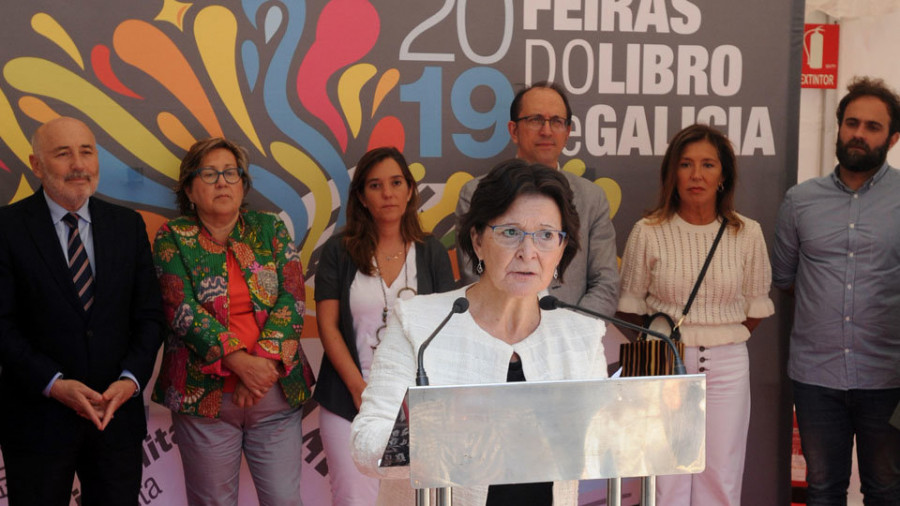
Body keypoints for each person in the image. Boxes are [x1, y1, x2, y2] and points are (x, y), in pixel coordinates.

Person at [351, 159, 607, 506]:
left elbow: (596, 449)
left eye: (546, 235)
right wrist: (442, 435)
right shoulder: (419, 323)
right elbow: (367, 446)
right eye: (511, 232)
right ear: (478, 240)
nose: (528, 253)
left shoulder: (582, 335)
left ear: (562, 249)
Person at [0, 117, 164, 505]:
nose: (78, 164)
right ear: (36, 165)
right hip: (37, 420)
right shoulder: (6, 228)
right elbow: (1, 325)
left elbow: (150, 316)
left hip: (115, 417)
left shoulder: (128, 225)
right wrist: (54, 384)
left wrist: (128, 382)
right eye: (63, 153)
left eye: (86, 151)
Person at [617, 124, 774, 506]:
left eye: (708, 165)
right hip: (665, 363)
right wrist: (666, 345)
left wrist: (715, 335)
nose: (697, 174)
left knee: (720, 474)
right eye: (686, 164)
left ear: (724, 176)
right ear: (673, 173)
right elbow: (631, 308)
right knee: (666, 475)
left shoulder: (747, 233)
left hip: (728, 365)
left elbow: (754, 310)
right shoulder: (648, 232)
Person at [152, 137, 314, 505]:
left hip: (273, 395)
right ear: (190, 190)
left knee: (285, 500)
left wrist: (263, 368)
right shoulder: (172, 236)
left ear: (243, 184)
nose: (222, 182)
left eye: (230, 173)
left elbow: (293, 296)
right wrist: (240, 363)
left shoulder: (270, 229)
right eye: (209, 174)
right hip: (205, 402)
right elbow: (180, 308)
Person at [773, 76, 900, 505]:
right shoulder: (800, 200)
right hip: (816, 375)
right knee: (823, 490)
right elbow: (786, 278)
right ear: (839, 127)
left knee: (886, 490)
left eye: (872, 126)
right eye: (851, 123)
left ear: (894, 138)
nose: (858, 134)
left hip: (889, 375)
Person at [314, 147, 456, 505]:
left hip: (416, 405)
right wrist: (358, 387)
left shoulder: (432, 252)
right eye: (375, 185)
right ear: (361, 197)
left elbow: (447, 330)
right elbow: (328, 327)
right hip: (349, 398)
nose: (388, 193)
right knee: (352, 499)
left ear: (410, 191)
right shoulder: (338, 252)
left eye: (396, 183)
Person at [455, 81, 618, 317]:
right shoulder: (474, 193)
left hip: (571, 343)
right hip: (497, 332)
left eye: (556, 122)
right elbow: (474, 274)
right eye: (535, 120)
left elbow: (606, 284)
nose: (547, 130)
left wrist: (570, 335)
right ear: (513, 130)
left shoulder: (592, 198)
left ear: (568, 131)